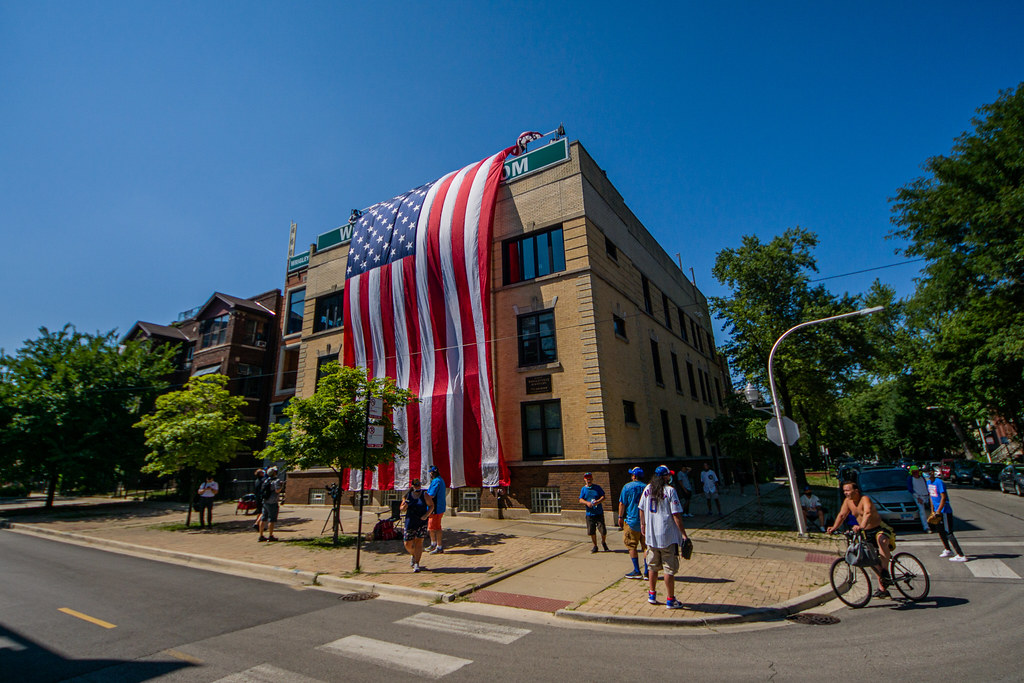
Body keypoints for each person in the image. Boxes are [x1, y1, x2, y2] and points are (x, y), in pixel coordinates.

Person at [827, 480, 897, 598]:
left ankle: (885, 571)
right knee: (868, 558)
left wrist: (861, 526)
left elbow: (868, 513)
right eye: (844, 491)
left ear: (856, 491)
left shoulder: (865, 499)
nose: (846, 493)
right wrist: (834, 527)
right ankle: (883, 588)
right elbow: (842, 515)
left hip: (879, 528)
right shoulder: (847, 502)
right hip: (865, 532)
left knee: (882, 540)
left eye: (848, 490)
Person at [640, 465, 690, 609]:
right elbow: (676, 515)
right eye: (668, 475)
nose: (670, 477)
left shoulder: (648, 489)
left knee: (652, 567)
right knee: (669, 569)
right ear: (665, 477)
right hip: (667, 536)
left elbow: (641, 508)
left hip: (651, 536)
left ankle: (652, 594)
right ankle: (670, 599)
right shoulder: (670, 491)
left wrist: (643, 525)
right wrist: (683, 535)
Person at [927, 470, 967, 562]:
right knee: (940, 531)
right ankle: (948, 550)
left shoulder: (939, 482)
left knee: (948, 532)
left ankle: (960, 554)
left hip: (944, 511)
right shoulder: (929, 483)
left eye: (929, 472)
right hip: (937, 511)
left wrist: (939, 511)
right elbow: (931, 497)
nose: (928, 474)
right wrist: (933, 511)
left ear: (933, 472)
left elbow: (943, 498)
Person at [617, 467, 648, 579]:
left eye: (632, 475)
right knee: (646, 547)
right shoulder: (647, 487)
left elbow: (622, 503)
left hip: (632, 521)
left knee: (631, 546)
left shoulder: (627, 487)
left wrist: (620, 517)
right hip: (646, 522)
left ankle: (636, 570)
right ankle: (647, 571)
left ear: (634, 476)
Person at [400, 478, 434, 572]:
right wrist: (404, 507)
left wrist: (426, 515)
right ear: (412, 486)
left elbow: (431, 506)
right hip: (410, 521)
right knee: (407, 543)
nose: (417, 487)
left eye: (418, 485)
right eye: (415, 485)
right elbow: (401, 508)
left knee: (419, 542)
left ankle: (416, 563)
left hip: (421, 521)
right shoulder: (407, 495)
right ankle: (413, 554)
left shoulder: (424, 494)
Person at [579, 472, 609, 553]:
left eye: (589, 478)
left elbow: (603, 496)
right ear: (585, 480)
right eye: (587, 478)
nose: (588, 480)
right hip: (590, 514)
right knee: (591, 531)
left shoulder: (597, 488)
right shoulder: (583, 489)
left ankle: (603, 542)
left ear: (592, 479)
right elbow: (580, 499)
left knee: (603, 530)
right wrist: (587, 503)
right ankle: (595, 546)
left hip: (598, 513)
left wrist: (598, 502)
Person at [258, 466, 284, 542]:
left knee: (263, 518)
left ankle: (261, 535)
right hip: (272, 502)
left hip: (265, 501)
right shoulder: (276, 481)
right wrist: (281, 486)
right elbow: (277, 490)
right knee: (271, 519)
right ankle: (270, 535)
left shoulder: (266, 481)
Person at [426, 465, 447, 554]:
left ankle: (439, 546)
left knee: (436, 527)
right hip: (436, 508)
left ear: (433, 473)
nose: (430, 474)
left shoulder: (436, 481)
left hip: (436, 508)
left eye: (430, 473)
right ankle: (433, 543)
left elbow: (431, 494)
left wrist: (423, 498)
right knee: (431, 527)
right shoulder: (439, 480)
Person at [906, 466, 932, 533]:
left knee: (932, 511)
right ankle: (926, 527)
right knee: (922, 512)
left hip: (926, 495)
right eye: (914, 472)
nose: (916, 473)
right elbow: (910, 489)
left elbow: (926, 486)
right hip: (919, 497)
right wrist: (917, 497)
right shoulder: (910, 478)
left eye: (916, 471)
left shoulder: (922, 478)